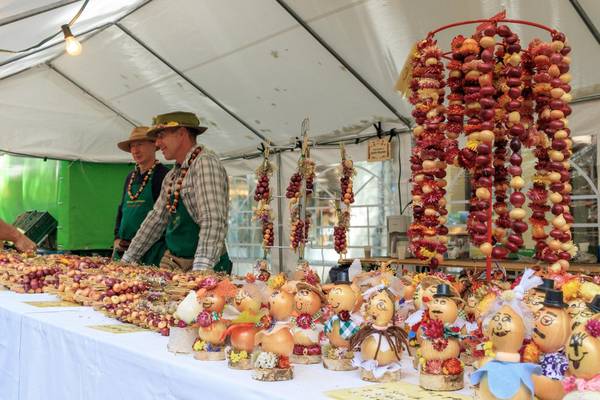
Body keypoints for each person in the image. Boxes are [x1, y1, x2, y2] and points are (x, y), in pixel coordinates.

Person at [122, 112, 231, 273]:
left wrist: (200, 271)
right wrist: (127, 259)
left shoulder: (205, 163)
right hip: (176, 264)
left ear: (181, 133)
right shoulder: (172, 175)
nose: (157, 144)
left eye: (161, 136)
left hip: (204, 266)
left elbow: (213, 220)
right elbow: (155, 220)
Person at [113, 126, 169, 266]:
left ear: (153, 144)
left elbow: (165, 217)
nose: (135, 150)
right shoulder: (130, 177)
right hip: (123, 249)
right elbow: (122, 209)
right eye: (132, 146)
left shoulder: (163, 175)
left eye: (139, 144)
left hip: (152, 251)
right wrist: (117, 237)